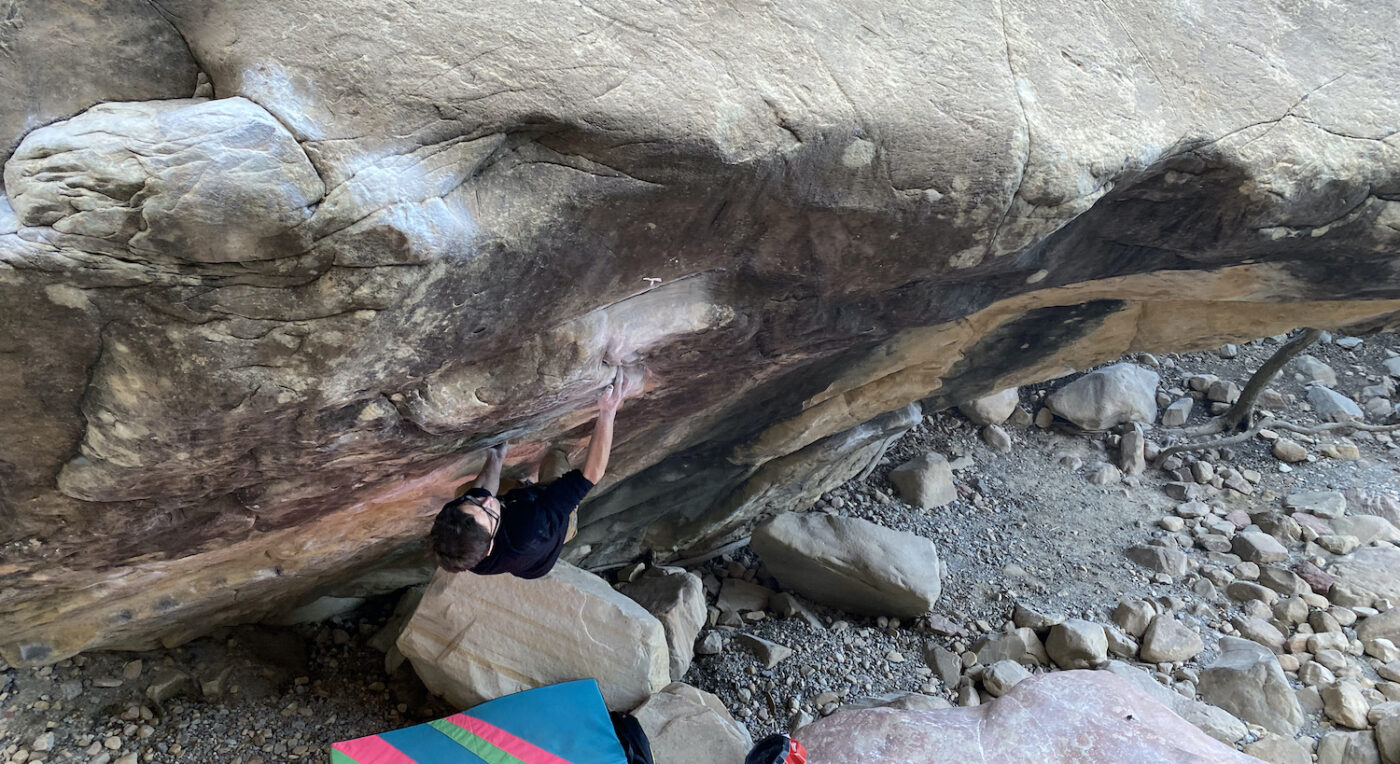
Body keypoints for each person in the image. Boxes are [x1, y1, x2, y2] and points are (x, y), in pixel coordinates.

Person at [430, 375, 637, 578]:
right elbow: (591, 474)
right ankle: (553, 501)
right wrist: (608, 411)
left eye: (475, 502)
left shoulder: (460, 537)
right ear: (489, 547)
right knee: (554, 457)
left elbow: (482, 495)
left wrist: (496, 458)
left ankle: (518, 490)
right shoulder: (532, 528)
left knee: (464, 491)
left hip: (518, 510)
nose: (486, 499)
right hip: (549, 525)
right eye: (487, 510)